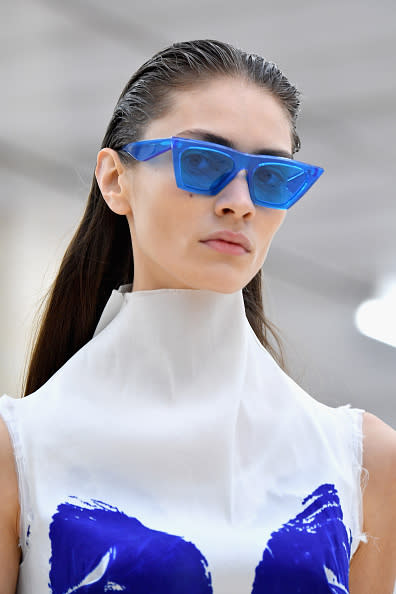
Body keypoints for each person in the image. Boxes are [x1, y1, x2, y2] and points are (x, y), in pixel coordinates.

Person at [0, 39, 395, 594]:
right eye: (203, 162)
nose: (240, 201)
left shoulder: (363, 460)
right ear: (115, 180)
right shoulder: (18, 452)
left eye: (271, 176)